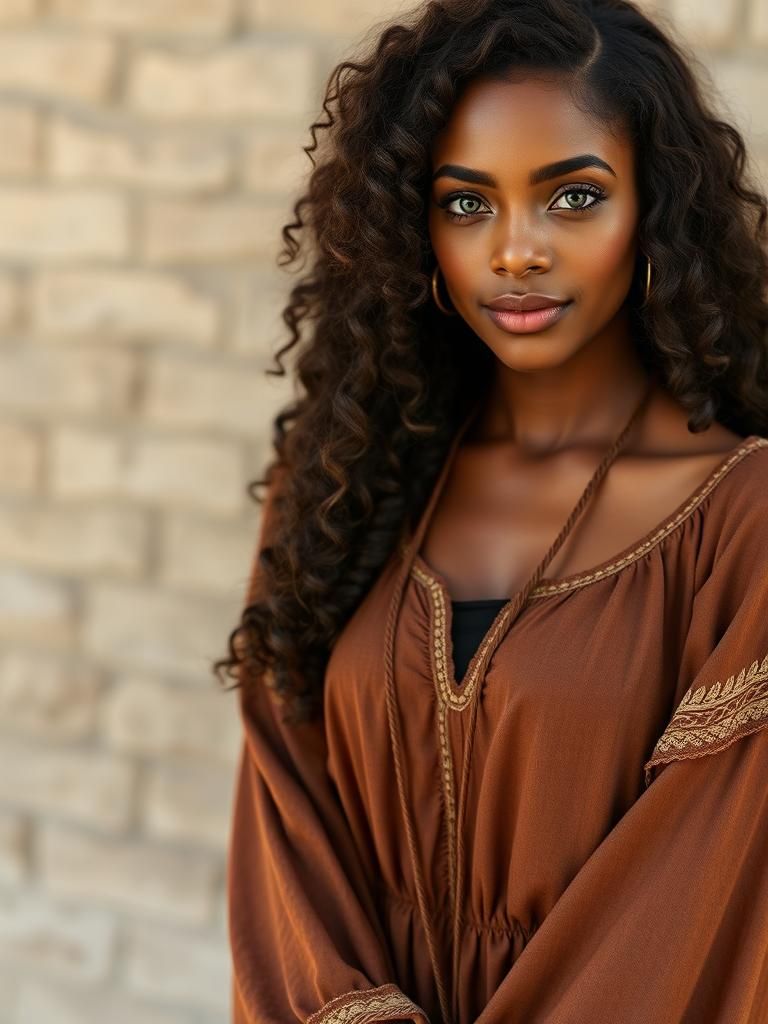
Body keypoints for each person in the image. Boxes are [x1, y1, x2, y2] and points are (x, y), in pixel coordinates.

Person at [216, 1, 768, 1021]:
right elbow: (282, 816)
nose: (516, 250)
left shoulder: (742, 519)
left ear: (654, 210)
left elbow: (698, 904)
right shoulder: (343, 477)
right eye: (468, 205)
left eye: (572, 198)